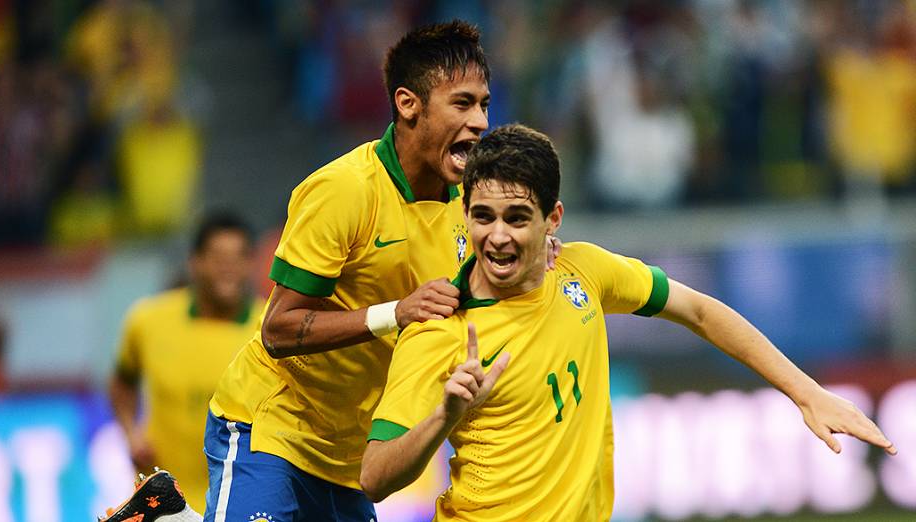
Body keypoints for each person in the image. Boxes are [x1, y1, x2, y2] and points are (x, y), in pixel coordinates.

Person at [360, 124, 896, 520]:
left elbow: (701, 312)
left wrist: (806, 393)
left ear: (553, 219)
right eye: (483, 217)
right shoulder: (437, 328)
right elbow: (375, 478)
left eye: (517, 218)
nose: (497, 236)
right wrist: (444, 416)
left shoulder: (585, 271)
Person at [203, 20, 497, 521]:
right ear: (409, 105)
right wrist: (395, 314)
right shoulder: (344, 190)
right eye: (463, 103)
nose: (480, 121)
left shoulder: (473, 206)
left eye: (484, 104)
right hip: (272, 431)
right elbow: (277, 329)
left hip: (350, 460)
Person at [110, 212, 262, 514]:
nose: (228, 268)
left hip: (241, 500)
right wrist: (130, 432)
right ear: (195, 261)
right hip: (163, 502)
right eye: (218, 257)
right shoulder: (148, 321)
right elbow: (122, 382)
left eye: (238, 257)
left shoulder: (269, 328)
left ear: (251, 264)